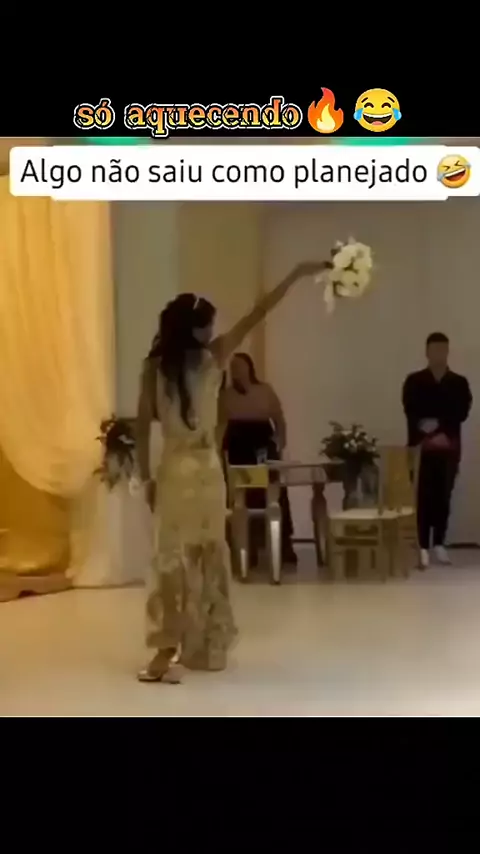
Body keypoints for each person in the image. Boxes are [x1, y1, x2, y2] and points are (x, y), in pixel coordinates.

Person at [136, 260, 326, 682]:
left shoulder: (155, 369)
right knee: (205, 553)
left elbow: (142, 426)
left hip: (175, 471)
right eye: (208, 324)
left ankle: (166, 651)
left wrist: (144, 477)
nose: (212, 330)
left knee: (172, 557)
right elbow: (259, 312)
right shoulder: (213, 357)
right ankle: (203, 644)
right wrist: (297, 274)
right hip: (206, 470)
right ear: (195, 329)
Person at [402, 332, 472, 570]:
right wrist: (426, 429)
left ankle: (439, 542)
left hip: (448, 446)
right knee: (422, 495)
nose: (438, 354)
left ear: (448, 351)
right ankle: (422, 545)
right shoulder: (415, 381)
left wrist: (441, 428)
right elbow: (410, 408)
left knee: (443, 495)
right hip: (421, 447)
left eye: (442, 350)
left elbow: (461, 411)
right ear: (427, 352)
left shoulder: (459, 382)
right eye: (434, 350)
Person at [221, 352, 297, 566]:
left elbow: (279, 419)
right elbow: (219, 425)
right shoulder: (226, 396)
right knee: (243, 496)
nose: (236, 370)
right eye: (233, 367)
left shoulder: (265, 390)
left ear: (249, 367)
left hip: (263, 444)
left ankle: (284, 545)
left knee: (274, 493)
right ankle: (248, 547)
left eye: (240, 366)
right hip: (238, 446)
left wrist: (280, 443)